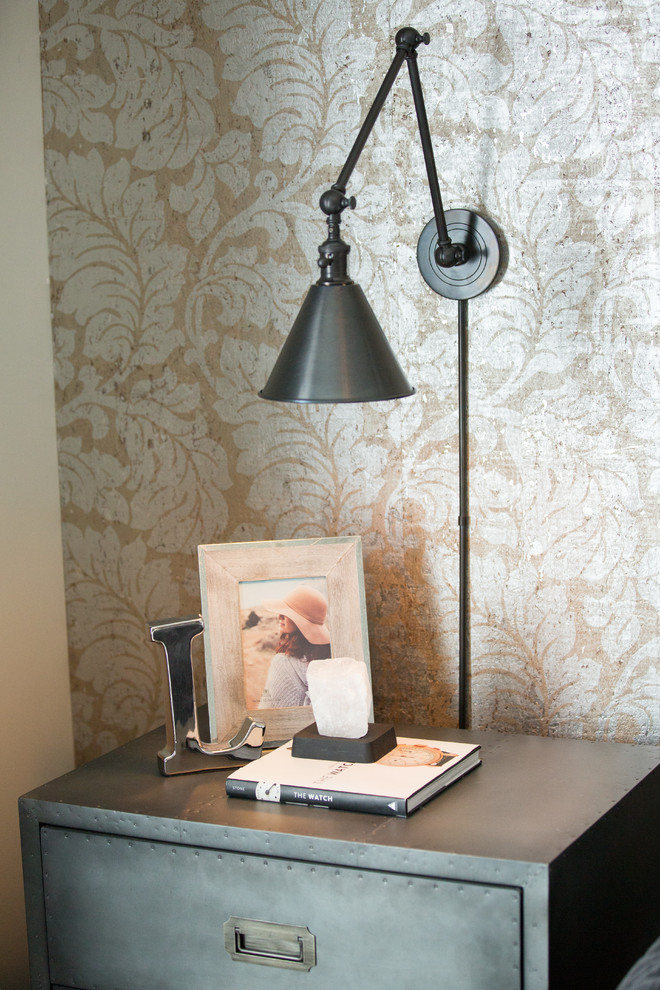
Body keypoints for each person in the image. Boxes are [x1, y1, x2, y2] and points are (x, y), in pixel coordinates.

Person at [258, 585, 331, 708]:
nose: (279, 616)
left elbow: (267, 715)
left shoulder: (283, 663)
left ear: (300, 621)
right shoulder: (329, 659)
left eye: (286, 613)